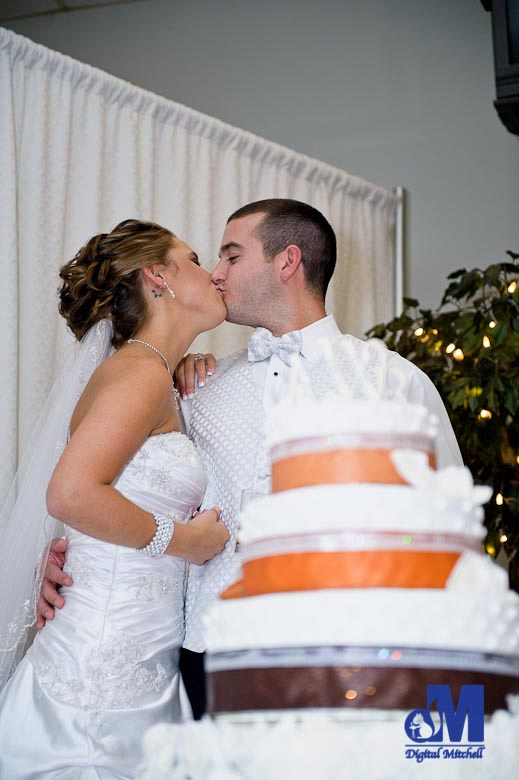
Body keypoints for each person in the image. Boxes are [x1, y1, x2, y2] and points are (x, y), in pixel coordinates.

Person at [38, 199, 463, 718]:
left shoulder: (394, 382)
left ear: (287, 263)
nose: (216, 275)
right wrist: (69, 558)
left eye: (231, 257)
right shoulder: (191, 387)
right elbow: (129, 485)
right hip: (207, 655)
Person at [0, 219, 230, 779]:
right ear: (159, 278)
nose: (213, 274)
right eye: (196, 259)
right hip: (96, 677)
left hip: (143, 663)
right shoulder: (139, 376)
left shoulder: (156, 377)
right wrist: (186, 541)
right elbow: (71, 493)